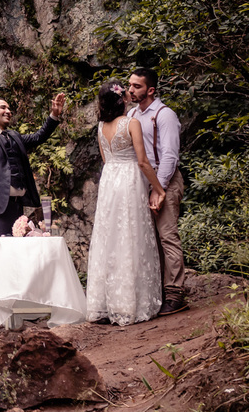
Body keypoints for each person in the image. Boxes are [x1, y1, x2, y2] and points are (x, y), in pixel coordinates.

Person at [0, 93, 67, 323]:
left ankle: (12, 304)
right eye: (3, 107)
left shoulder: (14, 136)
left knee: (13, 255)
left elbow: (39, 137)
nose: (8, 110)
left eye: (10, 107)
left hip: (16, 207)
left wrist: (54, 115)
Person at [85, 81, 164, 325]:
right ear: (122, 100)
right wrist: (158, 189)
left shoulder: (100, 127)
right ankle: (131, 304)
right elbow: (142, 162)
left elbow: (106, 158)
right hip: (129, 180)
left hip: (109, 181)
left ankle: (105, 303)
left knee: (109, 239)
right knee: (131, 235)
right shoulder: (132, 123)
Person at [127, 68, 188, 315]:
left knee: (167, 236)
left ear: (150, 90)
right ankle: (158, 292)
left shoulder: (165, 115)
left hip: (166, 181)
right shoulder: (131, 114)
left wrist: (157, 188)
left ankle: (175, 294)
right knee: (149, 240)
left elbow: (170, 156)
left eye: (137, 86)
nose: (131, 90)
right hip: (141, 184)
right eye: (129, 85)